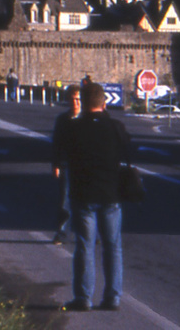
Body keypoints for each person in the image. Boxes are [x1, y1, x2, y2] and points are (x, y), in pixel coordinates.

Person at [52, 81, 131, 312]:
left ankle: (83, 297)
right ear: (104, 102)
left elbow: (62, 151)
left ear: (83, 103)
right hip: (110, 195)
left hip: (82, 194)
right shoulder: (115, 127)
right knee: (112, 247)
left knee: (84, 246)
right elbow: (128, 151)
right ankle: (113, 297)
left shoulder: (72, 128)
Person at [49, 84, 82, 243]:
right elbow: (57, 143)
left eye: (78, 99)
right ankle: (61, 232)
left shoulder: (88, 118)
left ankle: (90, 233)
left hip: (85, 166)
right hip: (67, 164)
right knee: (64, 200)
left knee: (87, 202)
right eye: (72, 99)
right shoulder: (62, 120)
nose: (75, 103)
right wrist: (55, 164)